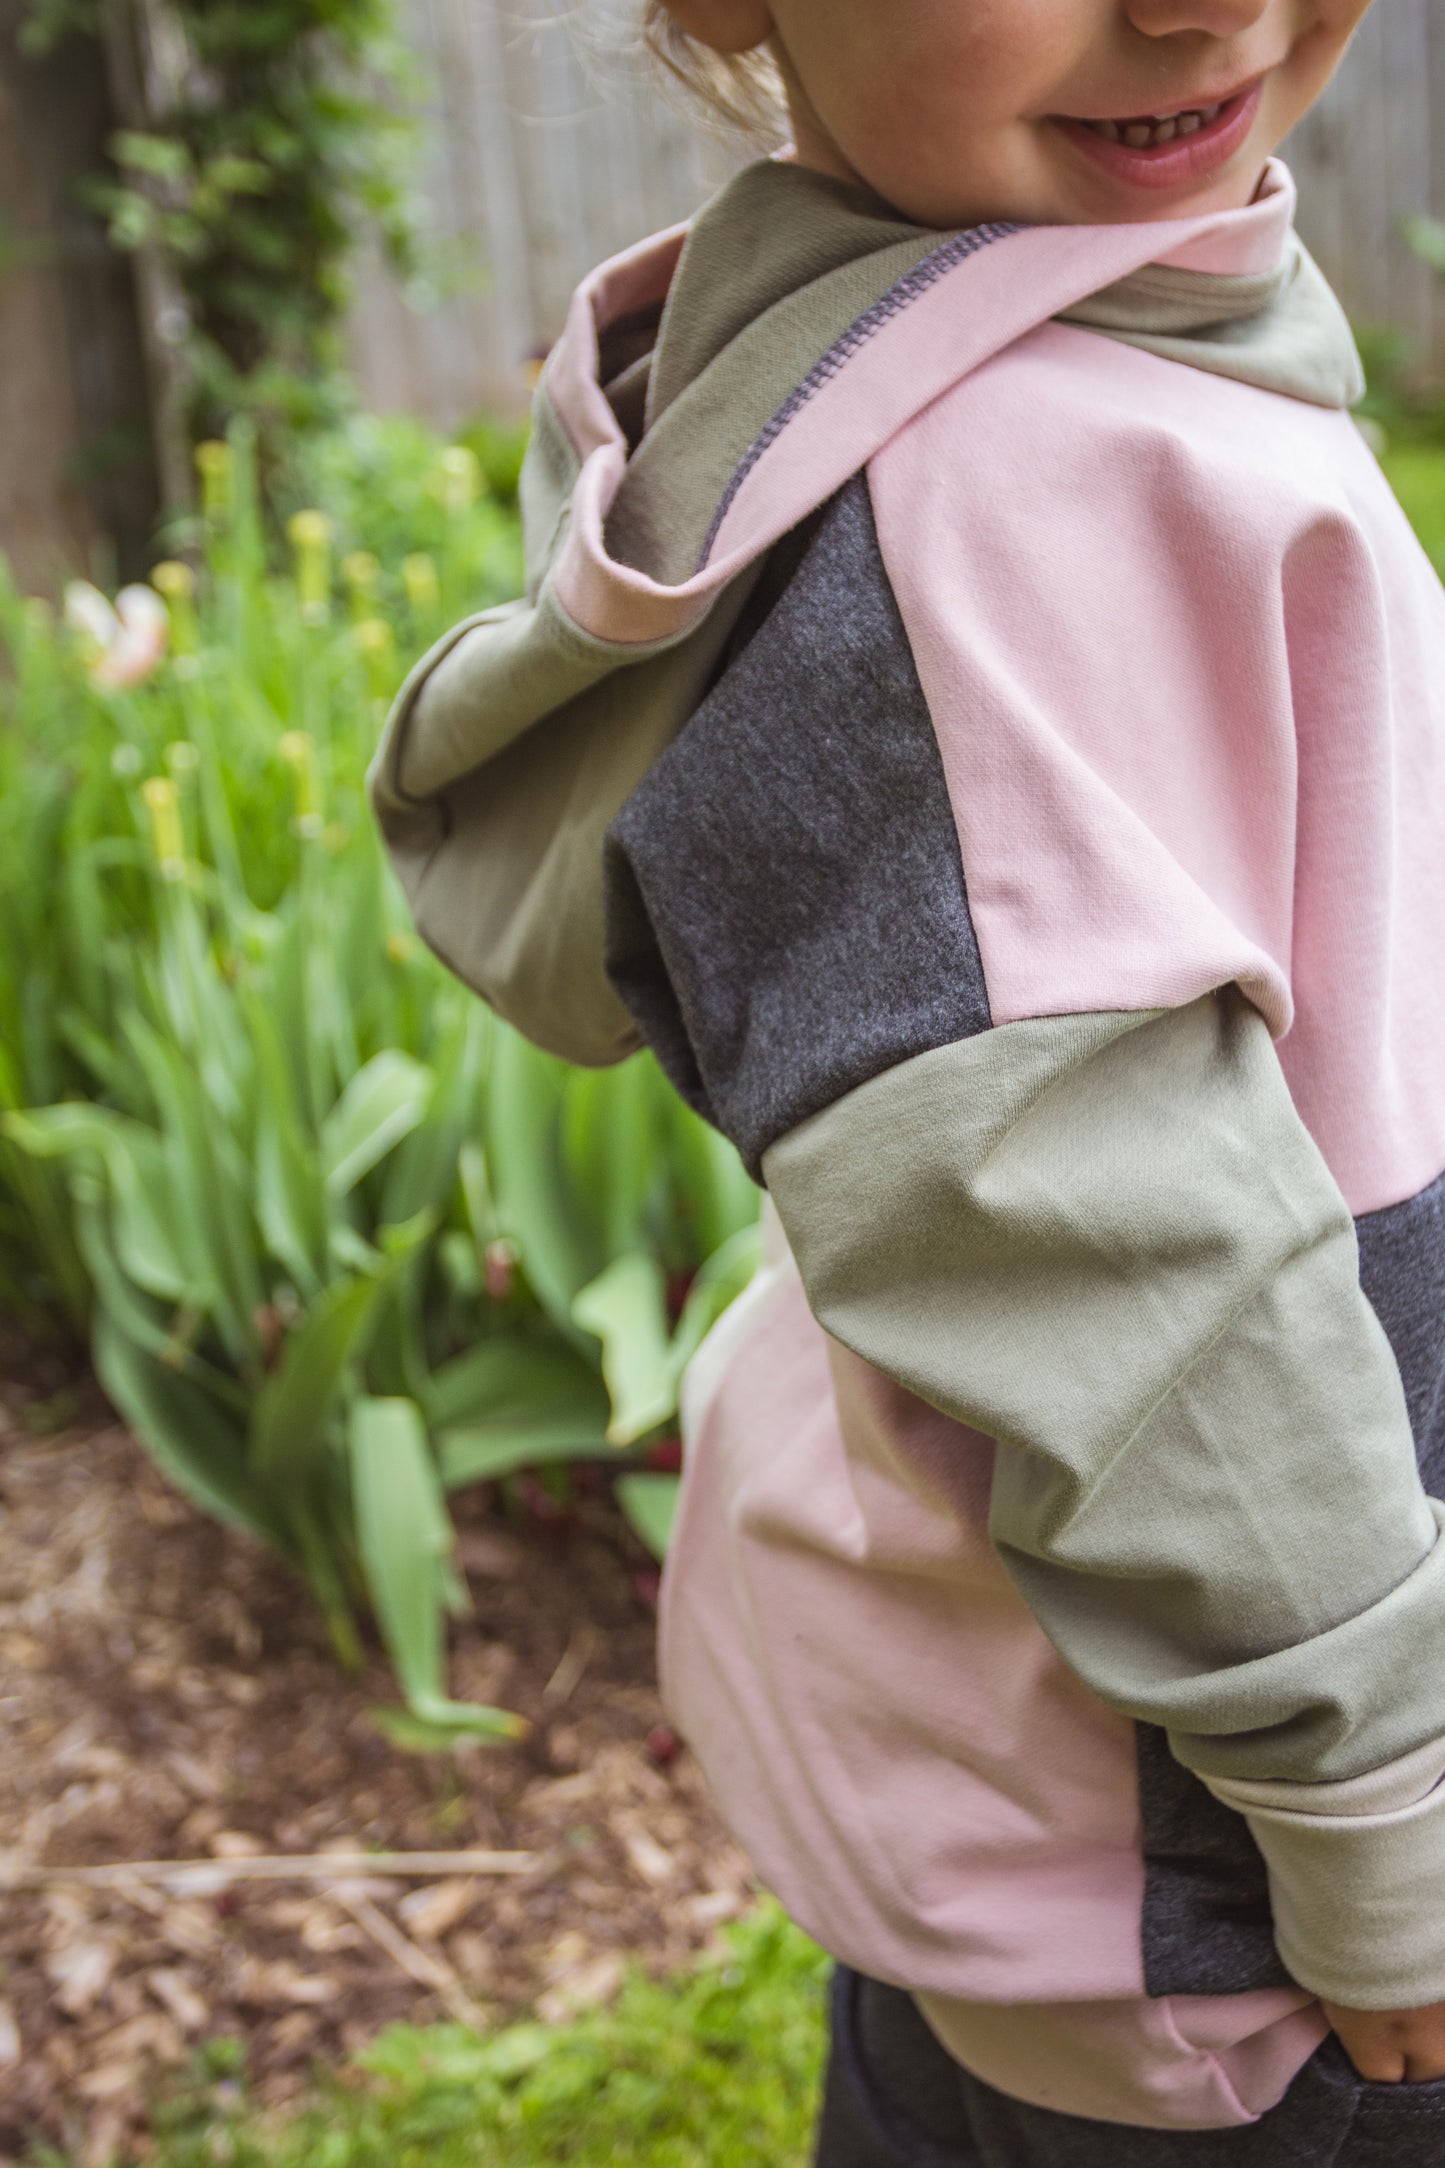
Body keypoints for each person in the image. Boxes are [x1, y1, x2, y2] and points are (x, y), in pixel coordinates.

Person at [370, 0, 1445, 2157]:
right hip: (1256, 1920)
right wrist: (1385, 1810)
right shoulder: (986, 494)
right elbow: (1136, 1282)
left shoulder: (1010, 322)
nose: (1196, 3)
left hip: (1135, 1806)